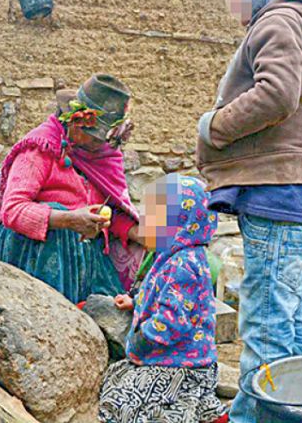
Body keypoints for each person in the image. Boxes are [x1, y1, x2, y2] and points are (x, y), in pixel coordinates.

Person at [196, 0, 302, 422]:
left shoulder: (278, 21)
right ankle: (294, 409)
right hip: (281, 189)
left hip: (272, 187)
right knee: (286, 310)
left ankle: (258, 417)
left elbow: (276, 95)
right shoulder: (293, 24)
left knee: (266, 317)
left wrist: (214, 126)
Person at [0, 74, 145, 304]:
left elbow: (111, 210)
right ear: (76, 123)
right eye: (96, 138)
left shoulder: (101, 156)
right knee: (58, 221)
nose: (103, 145)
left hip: (82, 254)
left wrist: (139, 233)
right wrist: (67, 219)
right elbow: (12, 210)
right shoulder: (39, 149)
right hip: (33, 252)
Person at [99, 174, 227, 423]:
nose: (144, 222)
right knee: (116, 378)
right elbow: (168, 297)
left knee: (124, 404)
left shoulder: (184, 265)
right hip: (170, 357)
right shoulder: (171, 256)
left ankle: (197, 411)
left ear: (180, 223)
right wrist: (136, 303)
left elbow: (173, 321)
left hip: (183, 364)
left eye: (153, 217)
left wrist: (141, 339)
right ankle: (204, 410)